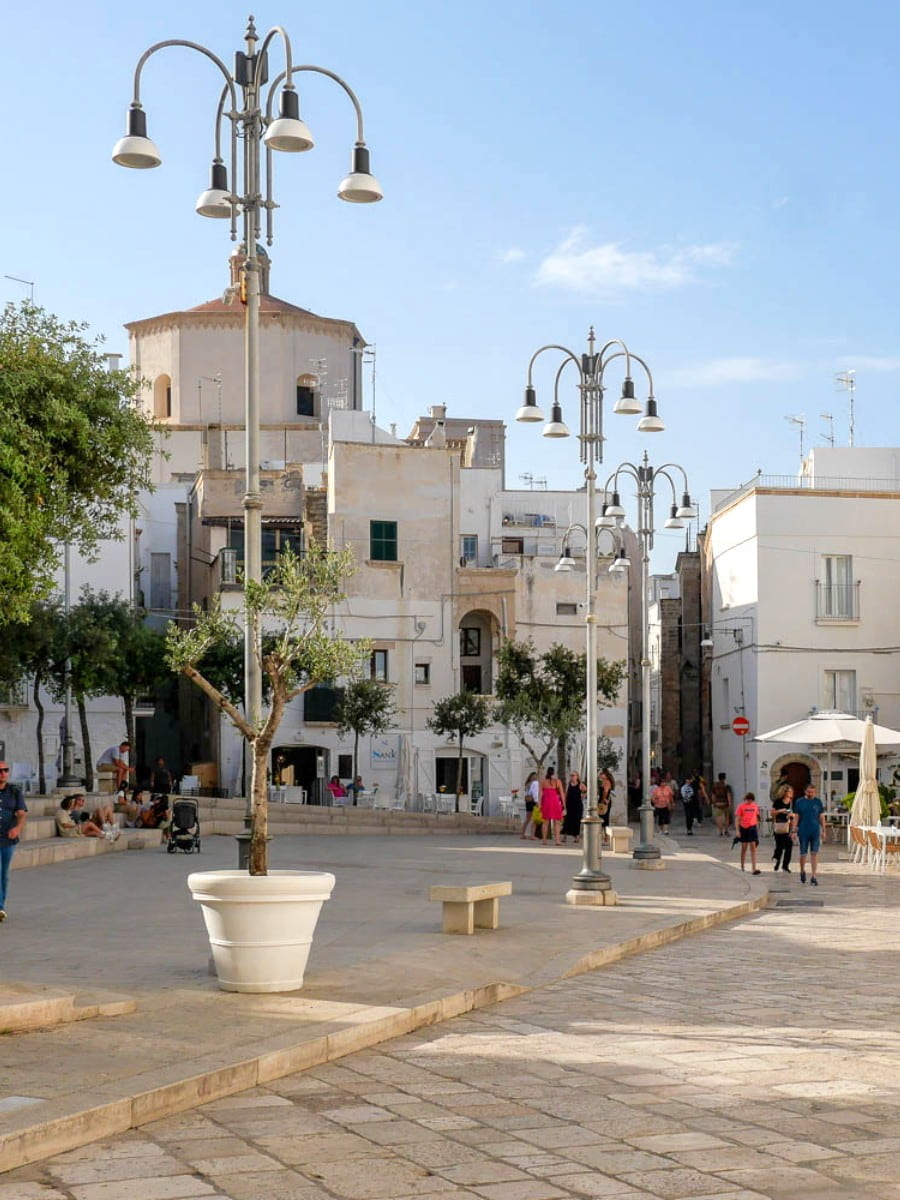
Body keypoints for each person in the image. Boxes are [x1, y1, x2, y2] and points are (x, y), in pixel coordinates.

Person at [0, 762, 27, 920]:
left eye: (5, 770)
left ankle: (1, 906)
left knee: (3, 873)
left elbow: (22, 813)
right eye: (0, 771)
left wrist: (17, 828)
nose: (2, 773)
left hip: (8, 839)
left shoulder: (15, 791)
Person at [792, 783, 826, 885]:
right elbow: (796, 817)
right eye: (809, 792)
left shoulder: (818, 802)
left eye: (813, 792)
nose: (811, 794)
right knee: (803, 853)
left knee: (814, 853)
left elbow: (821, 816)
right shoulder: (799, 802)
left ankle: (814, 876)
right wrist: (794, 830)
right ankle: (802, 870)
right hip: (803, 830)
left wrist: (824, 830)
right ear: (805, 792)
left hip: (815, 830)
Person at [735, 791, 762, 874]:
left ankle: (754, 868)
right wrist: (737, 830)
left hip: (752, 828)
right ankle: (742, 865)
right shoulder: (741, 807)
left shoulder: (755, 806)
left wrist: (757, 827)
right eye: (748, 800)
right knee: (744, 847)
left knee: (753, 848)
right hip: (743, 828)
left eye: (751, 800)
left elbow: (757, 817)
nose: (749, 801)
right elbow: (737, 819)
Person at [539, 766, 565, 845]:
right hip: (555, 802)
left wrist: (539, 804)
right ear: (554, 773)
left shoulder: (543, 782)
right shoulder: (557, 781)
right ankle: (557, 840)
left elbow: (540, 794)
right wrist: (564, 804)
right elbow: (561, 793)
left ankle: (544, 840)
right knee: (557, 822)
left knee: (545, 822)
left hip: (546, 802)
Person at [771, 784, 794, 873]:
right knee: (779, 847)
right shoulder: (778, 801)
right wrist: (781, 810)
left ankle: (785, 865)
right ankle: (777, 861)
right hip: (779, 825)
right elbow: (772, 813)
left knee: (789, 846)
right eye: (788, 791)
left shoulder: (792, 802)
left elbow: (795, 814)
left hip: (788, 826)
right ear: (784, 792)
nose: (790, 793)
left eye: (791, 791)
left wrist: (791, 814)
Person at [561, 771, 585, 844]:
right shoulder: (569, 784)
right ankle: (564, 836)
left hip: (577, 806)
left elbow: (586, 791)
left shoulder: (580, 785)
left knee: (577, 821)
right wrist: (564, 804)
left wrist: (583, 796)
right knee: (567, 820)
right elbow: (565, 794)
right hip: (569, 805)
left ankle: (577, 837)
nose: (572, 777)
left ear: (577, 776)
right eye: (571, 775)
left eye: (573, 775)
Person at [520, 771, 540, 840]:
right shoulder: (535, 783)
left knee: (527, 819)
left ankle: (523, 834)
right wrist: (537, 802)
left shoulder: (527, 784)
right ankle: (532, 835)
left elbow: (526, 793)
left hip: (528, 802)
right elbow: (535, 794)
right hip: (533, 802)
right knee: (534, 819)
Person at [598, 768, 615, 842]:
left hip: (604, 801)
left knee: (604, 818)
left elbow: (605, 792)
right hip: (605, 801)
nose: (600, 775)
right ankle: (604, 836)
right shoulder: (604, 781)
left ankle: (606, 836)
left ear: (605, 774)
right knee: (603, 818)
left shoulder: (606, 782)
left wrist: (602, 800)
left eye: (602, 774)